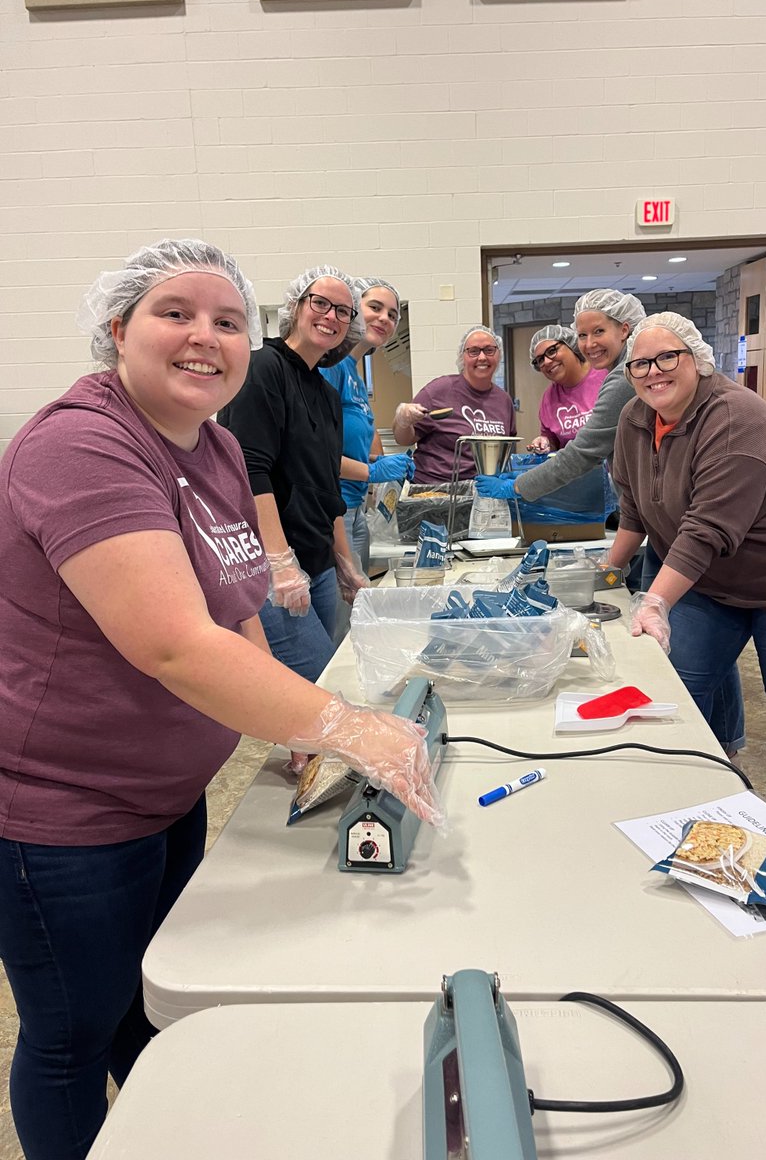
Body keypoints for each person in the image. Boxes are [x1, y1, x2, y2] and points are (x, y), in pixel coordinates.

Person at [0, 240, 442, 1160]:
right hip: (61, 813)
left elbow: (233, 607)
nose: (205, 336)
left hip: (165, 796)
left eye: (226, 321)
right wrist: (345, 724)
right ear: (116, 330)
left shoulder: (217, 447)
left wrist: (284, 723)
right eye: (177, 314)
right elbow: (170, 639)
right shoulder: (83, 444)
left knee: (149, 997)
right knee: (72, 1036)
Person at [606, 311, 766, 796]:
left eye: (667, 357)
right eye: (639, 364)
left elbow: (706, 528)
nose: (653, 372)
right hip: (713, 578)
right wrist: (602, 574)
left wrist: (656, 602)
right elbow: (634, 508)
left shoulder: (735, 415)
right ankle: (694, 798)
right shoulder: (635, 418)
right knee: (682, 686)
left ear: (698, 360)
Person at [218, 264, 369, 682]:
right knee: (317, 690)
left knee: (323, 681)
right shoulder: (261, 368)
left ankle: (308, 752)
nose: (331, 316)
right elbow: (249, 469)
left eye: (343, 311)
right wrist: (280, 563)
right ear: (295, 306)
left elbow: (327, 487)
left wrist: (344, 561)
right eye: (320, 302)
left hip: (316, 563)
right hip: (271, 568)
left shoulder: (324, 392)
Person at [473, 290, 644, 508]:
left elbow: (583, 452)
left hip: (632, 498)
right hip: (617, 499)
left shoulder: (622, 378)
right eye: (583, 335)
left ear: (624, 329)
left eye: (598, 331)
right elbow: (559, 443)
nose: (590, 344)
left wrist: (518, 486)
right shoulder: (550, 398)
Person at [320, 276, 414, 577]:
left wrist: (378, 461)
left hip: (355, 507)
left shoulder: (355, 374)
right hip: (331, 511)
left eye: (392, 315)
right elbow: (316, 454)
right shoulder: (329, 368)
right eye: (375, 307)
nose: (384, 319)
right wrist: (373, 471)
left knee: (353, 612)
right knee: (340, 616)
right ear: (352, 308)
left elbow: (351, 442)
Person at [392, 325, 516, 483]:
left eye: (489, 350)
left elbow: (505, 451)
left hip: (484, 493)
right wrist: (403, 420)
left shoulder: (504, 401)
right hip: (434, 494)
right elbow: (403, 439)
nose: (482, 357)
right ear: (462, 357)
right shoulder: (439, 390)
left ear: (498, 355)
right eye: (474, 351)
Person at [528, 324, 606, 453]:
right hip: (573, 471)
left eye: (552, 351)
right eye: (540, 360)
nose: (546, 362)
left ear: (572, 346)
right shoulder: (549, 398)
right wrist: (545, 443)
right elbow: (552, 441)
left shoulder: (605, 377)